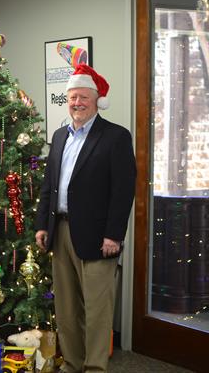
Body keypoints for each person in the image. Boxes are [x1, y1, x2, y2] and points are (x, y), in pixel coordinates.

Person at [34, 64, 136, 373]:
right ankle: (73, 363)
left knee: (96, 309)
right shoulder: (59, 135)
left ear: (96, 100)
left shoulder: (115, 137)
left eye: (83, 98)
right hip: (61, 231)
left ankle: (94, 368)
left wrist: (114, 235)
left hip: (98, 236)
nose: (77, 103)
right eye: (72, 97)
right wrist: (42, 225)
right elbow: (49, 185)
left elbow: (123, 190)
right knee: (65, 309)